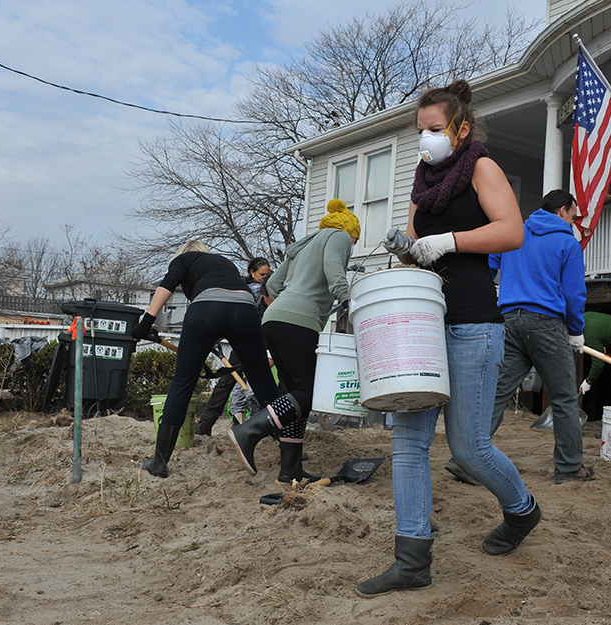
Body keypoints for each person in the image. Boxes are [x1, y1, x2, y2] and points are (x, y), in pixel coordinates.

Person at [356, 80, 537, 598]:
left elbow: (511, 231)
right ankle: (412, 559)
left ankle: (522, 511)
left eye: (434, 130)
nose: (425, 140)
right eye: (420, 131)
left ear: (460, 127)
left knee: (469, 447)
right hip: (422, 322)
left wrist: (450, 239)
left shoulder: (482, 167)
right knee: (408, 443)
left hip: (474, 322)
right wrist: (406, 248)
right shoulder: (420, 183)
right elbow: (416, 252)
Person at [228, 199, 359, 486]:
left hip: (274, 319)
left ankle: (291, 470)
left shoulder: (302, 245)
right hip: (300, 322)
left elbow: (272, 285)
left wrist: (293, 297)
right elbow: (332, 266)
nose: (353, 247)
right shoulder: (339, 236)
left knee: (295, 397)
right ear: (351, 232)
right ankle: (248, 431)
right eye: (355, 242)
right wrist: (346, 298)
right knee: (307, 393)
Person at [130, 242, 283, 478]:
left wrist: (146, 323)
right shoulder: (224, 263)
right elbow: (228, 308)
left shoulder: (182, 260)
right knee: (263, 380)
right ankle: (289, 447)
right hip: (245, 311)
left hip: (206, 310)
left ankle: (159, 463)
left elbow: (166, 287)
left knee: (182, 383)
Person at [488, 189, 591, 485]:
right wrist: (576, 331)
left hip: (509, 319)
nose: (574, 221)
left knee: (497, 394)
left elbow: (489, 265)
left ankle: (467, 459)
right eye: (573, 215)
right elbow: (574, 293)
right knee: (564, 398)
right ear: (561, 211)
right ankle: (570, 468)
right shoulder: (567, 243)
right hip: (546, 323)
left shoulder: (515, 232)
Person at [194, 257, 272, 437]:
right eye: (262, 274)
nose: (264, 278)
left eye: (267, 275)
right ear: (252, 273)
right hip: (248, 339)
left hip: (252, 339)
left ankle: (207, 423)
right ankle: (207, 423)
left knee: (230, 381)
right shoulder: (255, 290)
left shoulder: (261, 288)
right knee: (232, 381)